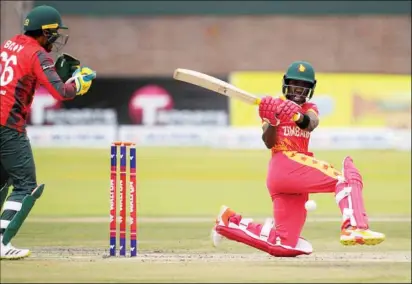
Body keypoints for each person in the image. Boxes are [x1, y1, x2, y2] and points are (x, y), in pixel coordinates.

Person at [211, 61, 385, 257]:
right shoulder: (273, 107)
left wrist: (295, 116)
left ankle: (228, 222)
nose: (299, 90)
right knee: (344, 179)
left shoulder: (310, 107)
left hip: (291, 178)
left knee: (284, 244)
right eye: (295, 85)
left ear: (310, 90)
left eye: (304, 87)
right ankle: (354, 227)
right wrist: (274, 120)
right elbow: (269, 142)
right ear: (287, 84)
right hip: (286, 163)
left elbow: (310, 123)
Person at [0, 5, 96, 260]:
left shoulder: (10, 45)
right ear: (44, 32)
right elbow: (62, 93)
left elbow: (25, 78)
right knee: (25, 185)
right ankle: (1, 240)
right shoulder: (37, 54)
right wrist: (79, 81)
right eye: (53, 34)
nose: (55, 40)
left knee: (2, 181)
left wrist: (57, 74)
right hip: (8, 126)